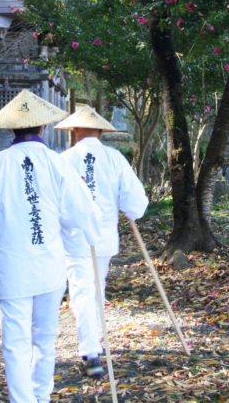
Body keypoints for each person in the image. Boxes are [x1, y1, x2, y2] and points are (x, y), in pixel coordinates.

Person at [0, 90, 102, 403]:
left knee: (15, 341)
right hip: (49, 266)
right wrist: (88, 233)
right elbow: (78, 214)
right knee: (45, 338)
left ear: (11, 129)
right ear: (42, 127)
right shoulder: (58, 165)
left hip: (11, 265)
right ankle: (41, 397)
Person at [55, 105, 149, 378]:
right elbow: (135, 203)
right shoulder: (114, 157)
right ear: (100, 131)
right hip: (105, 237)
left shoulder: (64, 159)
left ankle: (91, 352)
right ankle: (93, 344)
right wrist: (129, 209)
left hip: (74, 238)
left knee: (82, 291)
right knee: (96, 288)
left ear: (74, 131)